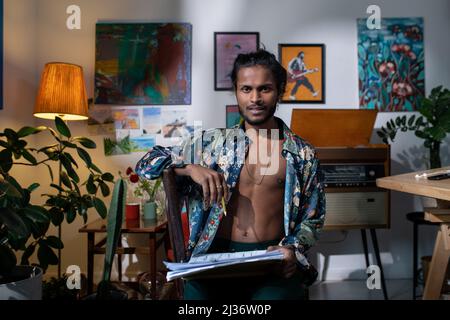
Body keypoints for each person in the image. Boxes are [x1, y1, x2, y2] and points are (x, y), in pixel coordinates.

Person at [135, 49, 326, 300]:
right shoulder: (210, 144)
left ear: (280, 91)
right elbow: (146, 164)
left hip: (272, 262)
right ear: (236, 91)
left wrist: (292, 248)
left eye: (264, 89)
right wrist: (190, 168)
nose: (255, 98)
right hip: (213, 260)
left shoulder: (302, 154)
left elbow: (313, 218)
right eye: (246, 89)